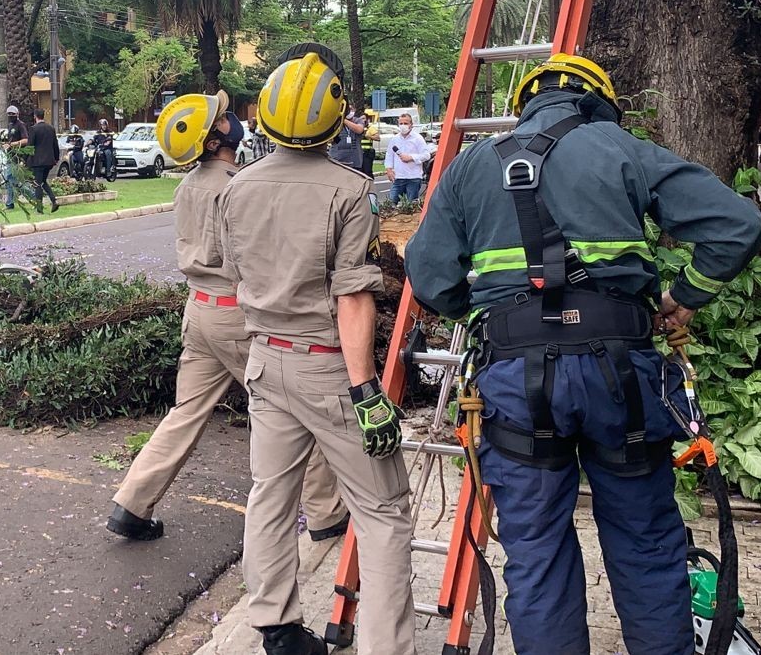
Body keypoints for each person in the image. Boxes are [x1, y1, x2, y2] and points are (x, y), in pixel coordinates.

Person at [405, 53, 761, 655]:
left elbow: (429, 276)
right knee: (646, 543)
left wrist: (495, 316)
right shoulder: (620, 148)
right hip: (618, 375)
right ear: (599, 102)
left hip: (516, 381)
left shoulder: (471, 166)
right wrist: (683, 298)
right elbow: (737, 225)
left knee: (537, 553)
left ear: (526, 103)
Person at [220, 43, 415, 655]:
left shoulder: (237, 187)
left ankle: (276, 628)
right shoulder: (350, 190)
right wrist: (367, 392)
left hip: (264, 364)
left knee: (270, 497)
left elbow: (234, 272)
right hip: (328, 370)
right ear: (335, 122)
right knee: (383, 515)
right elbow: (353, 298)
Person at [108, 91, 350, 546]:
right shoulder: (237, 186)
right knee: (300, 407)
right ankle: (325, 514)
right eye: (225, 117)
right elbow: (253, 260)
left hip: (198, 312)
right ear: (218, 134)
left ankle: (132, 503)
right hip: (236, 318)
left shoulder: (188, 186)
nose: (234, 120)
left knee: (186, 413)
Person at [385, 113, 429, 205]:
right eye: (401, 123)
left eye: (406, 123)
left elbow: (426, 155)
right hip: (398, 177)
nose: (403, 126)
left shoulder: (417, 138)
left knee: (411, 205)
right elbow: (389, 155)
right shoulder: (395, 139)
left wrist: (411, 157)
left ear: (411, 125)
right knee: (390, 203)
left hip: (413, 177)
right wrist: (389, 170)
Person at [28, 109, 60, 214]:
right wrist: (56, 158)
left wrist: (24, 159)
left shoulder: (33, 129)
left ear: (35, 116)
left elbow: (30, 146)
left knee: (37, 184)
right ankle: (54, 200)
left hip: (38, 161)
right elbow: (55, 144)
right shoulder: (51, 128)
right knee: (43, 182)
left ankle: (39, 209)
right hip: (49, 161)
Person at [2, 104, 28, 210]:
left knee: (12, 180)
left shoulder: (20, 125)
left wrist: (12, 144)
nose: (10, 115)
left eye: (12, 114)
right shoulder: (10, 125)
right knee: (11, 180)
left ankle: (10, 203)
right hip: (10, 156)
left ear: (17, 114)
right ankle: (10, 203)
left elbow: (25, 140)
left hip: (17, 156)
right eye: (9, 114)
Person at [327, 98, 364, 170]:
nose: (348, 111)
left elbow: (359, 130)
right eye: (346, 109)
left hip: (354, 159)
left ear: (354, 109)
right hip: (338, 158)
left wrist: (343, 120)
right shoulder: (335, 121)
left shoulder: (358, 120)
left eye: (350, 109)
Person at [359, 108, 378, 178]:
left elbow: (378, 138)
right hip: (358, 153)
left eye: (364, 118)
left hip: (367, 153)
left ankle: (370, 187)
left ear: (367, 119)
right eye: (361, 119)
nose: (363, 120)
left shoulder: (370, 128)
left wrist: (368, 136)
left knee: (367, 171)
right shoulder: (357, 128)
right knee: (359, 172)